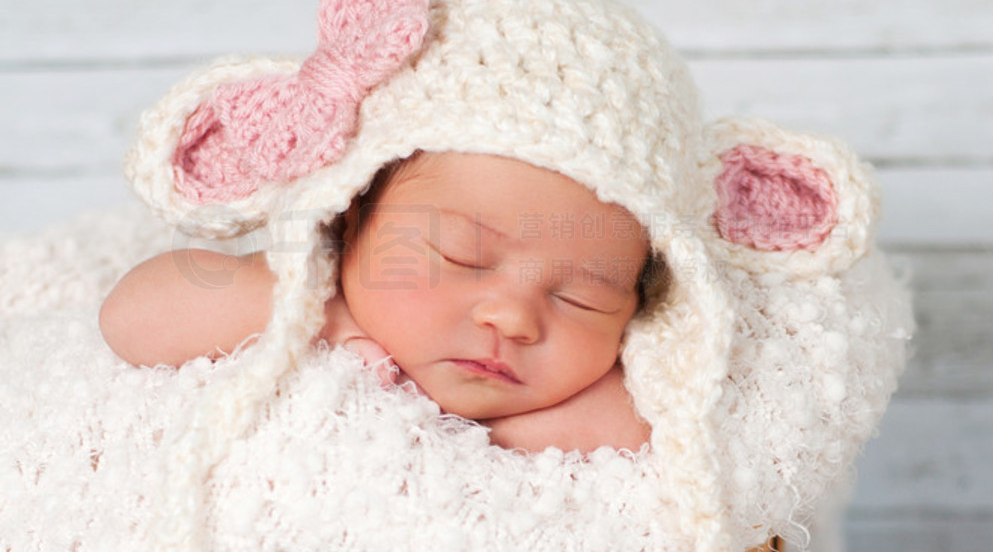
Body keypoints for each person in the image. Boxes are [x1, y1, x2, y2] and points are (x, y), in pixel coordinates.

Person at [100, 150, 656, 453]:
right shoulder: (310, 289)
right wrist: (317, 316)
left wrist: (489, 438)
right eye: (463, 257)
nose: (512, 318)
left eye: (579, 299)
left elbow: (655, 425)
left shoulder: (617, 384)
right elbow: (131, 317)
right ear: (352, 220)